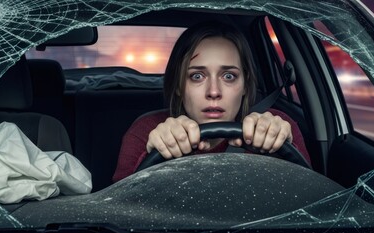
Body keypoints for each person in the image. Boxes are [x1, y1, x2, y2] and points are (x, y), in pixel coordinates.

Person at [113, 21, 310, 182]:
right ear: (179, 86)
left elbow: (311, 204)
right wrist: (157, 157)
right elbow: (118, 214)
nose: (214, 92)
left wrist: (277, 152)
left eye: (229, 76)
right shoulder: (146, 132)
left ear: (245, 85)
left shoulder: (276, 127)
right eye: (197, 76)